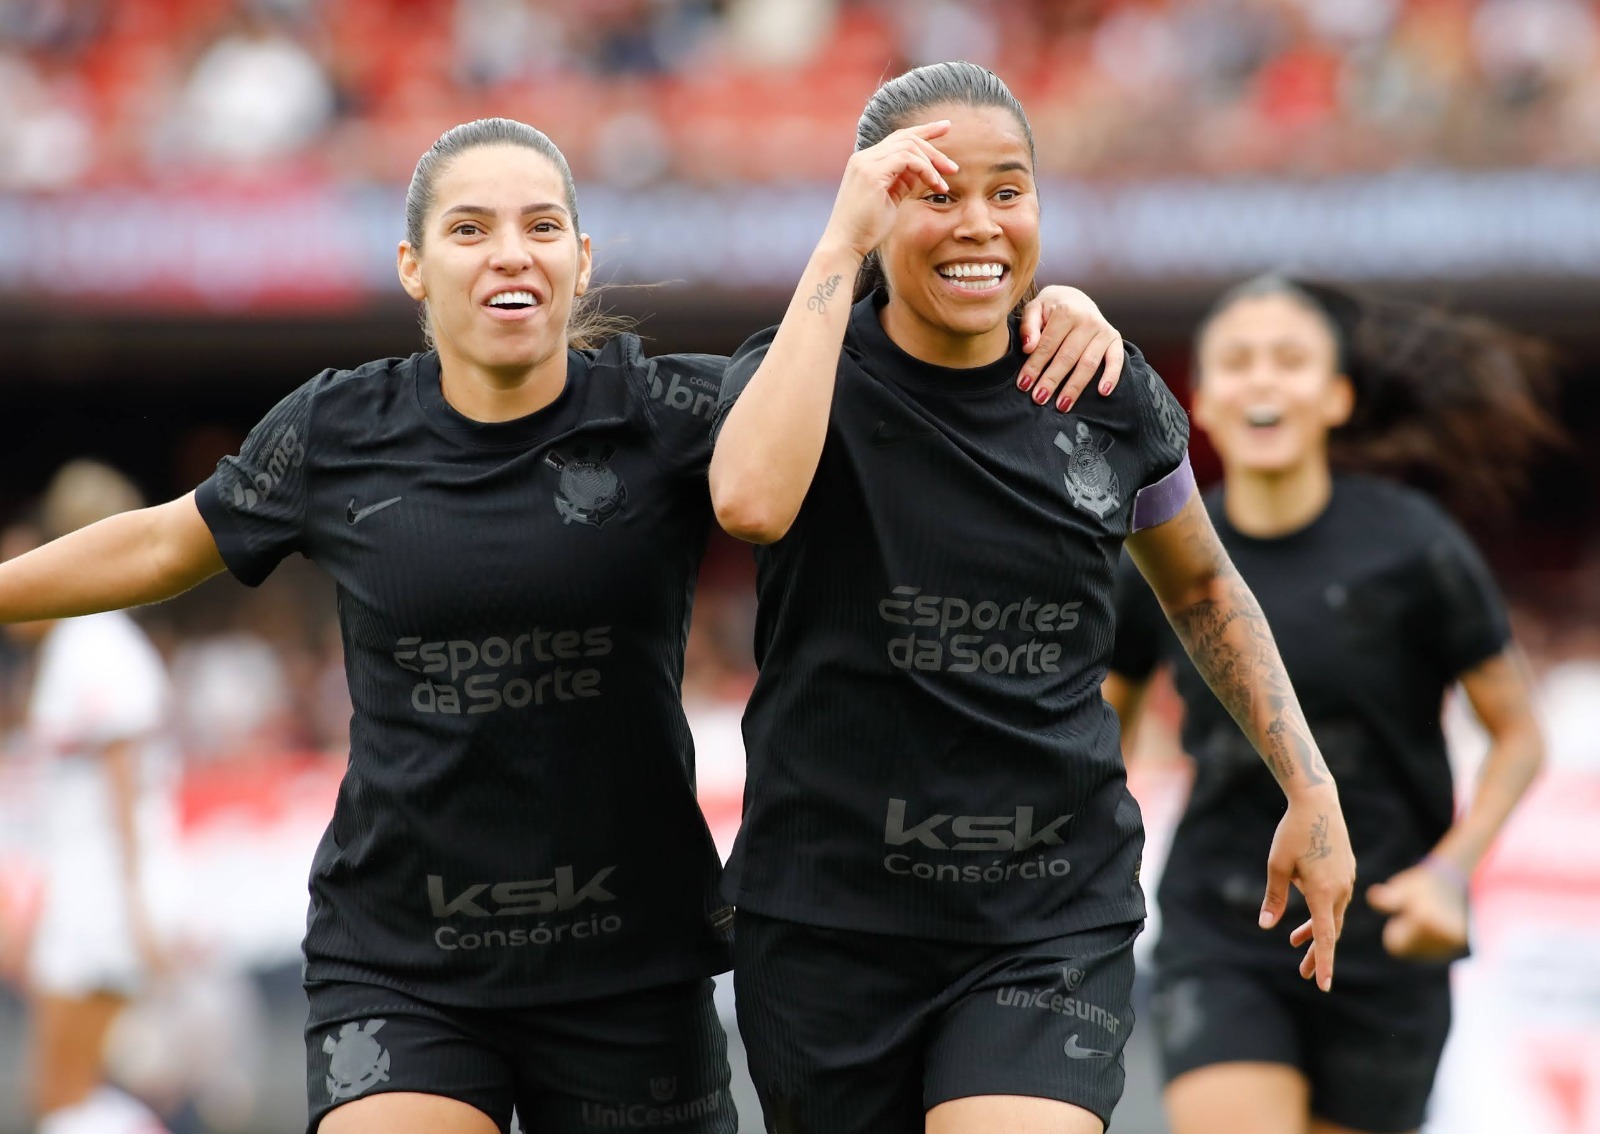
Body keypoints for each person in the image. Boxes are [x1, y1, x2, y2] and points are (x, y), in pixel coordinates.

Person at [0, 116, 1129, 1134]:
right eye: (470, 227)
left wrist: (1041, 304)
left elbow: (890, 385)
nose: (511, 251)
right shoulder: (337, 429)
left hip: (630, 970)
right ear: (412, 266)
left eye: (544, 224)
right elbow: (161, 541)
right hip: (402, 962)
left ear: (582, 260)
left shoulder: (673, 414)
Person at [708, 62, 1356, 1134]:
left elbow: (1198, 584)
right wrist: (836, 246)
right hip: (824, 922)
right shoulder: (794, 374)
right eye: (935, 192)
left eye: (1007, 192)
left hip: (1047, 915)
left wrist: (1309, 784)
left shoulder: (1105, 391)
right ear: (872, 205)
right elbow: (748, 504)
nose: (979, 224)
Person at [1105, 274, 1552, 1134]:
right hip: (1221, 926)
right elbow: (1098, 736)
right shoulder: (1161, 558)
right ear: (1201, 399)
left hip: (1386, 932)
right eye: (1237, 361)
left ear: (1337, 397)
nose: (1263, 379)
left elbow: (1519, 737)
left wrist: (1450, 877)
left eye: (1289, 359)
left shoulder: (1416, 545)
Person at [21, 462, 174, 1134]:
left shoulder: (95, 640)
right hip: (89, 883)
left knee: (63, 1092)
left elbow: (122, 778)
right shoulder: (91, 637)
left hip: (99, 889)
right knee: (64, 1090)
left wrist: (136, 899)